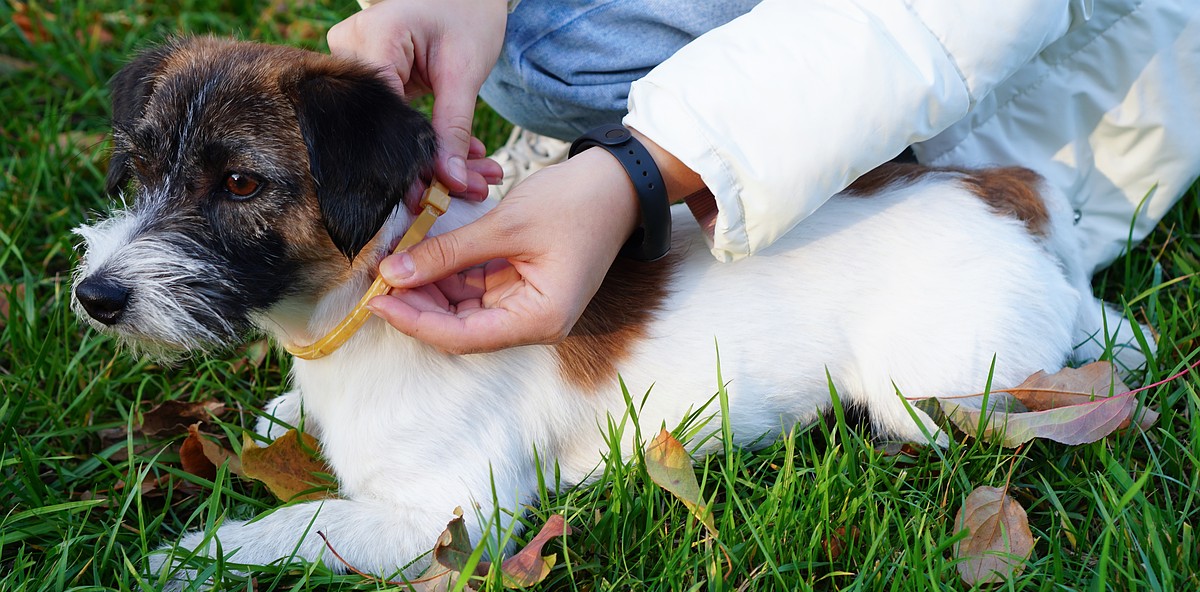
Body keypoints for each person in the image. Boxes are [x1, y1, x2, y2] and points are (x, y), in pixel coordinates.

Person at [327, 0, 1200, 355]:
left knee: (550, 43)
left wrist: (635, 170)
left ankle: (681, 160)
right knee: (532, 34)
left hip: (1027, 93)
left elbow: (937, 20)